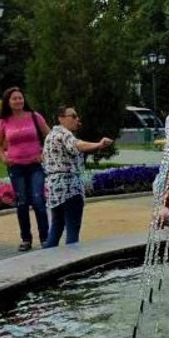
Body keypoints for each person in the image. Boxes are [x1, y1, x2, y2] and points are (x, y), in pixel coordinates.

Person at [42, 106, 113, 247]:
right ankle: (72, 260)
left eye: (76, 116)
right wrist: (99, 144)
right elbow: (77, 145)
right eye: (73, 116)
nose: (77, 119)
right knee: (72, 231)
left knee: (56, 228)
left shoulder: (50, 136)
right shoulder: (64, 134)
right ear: (61, 118)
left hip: (54, 189)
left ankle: (46, 260)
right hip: (69, 188)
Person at [0, 87, 50, 251]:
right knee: (22, 202)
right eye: (14, 99)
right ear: (8, 102)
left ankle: (45, 238)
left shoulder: (34, 116)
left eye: (20, 98)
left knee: (39, 200)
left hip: (35, 165)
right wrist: (3, 158)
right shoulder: (4, 121)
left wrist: (44, 153)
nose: (18, 101)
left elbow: (49, 135)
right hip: (16, 166)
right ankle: (26, 239)